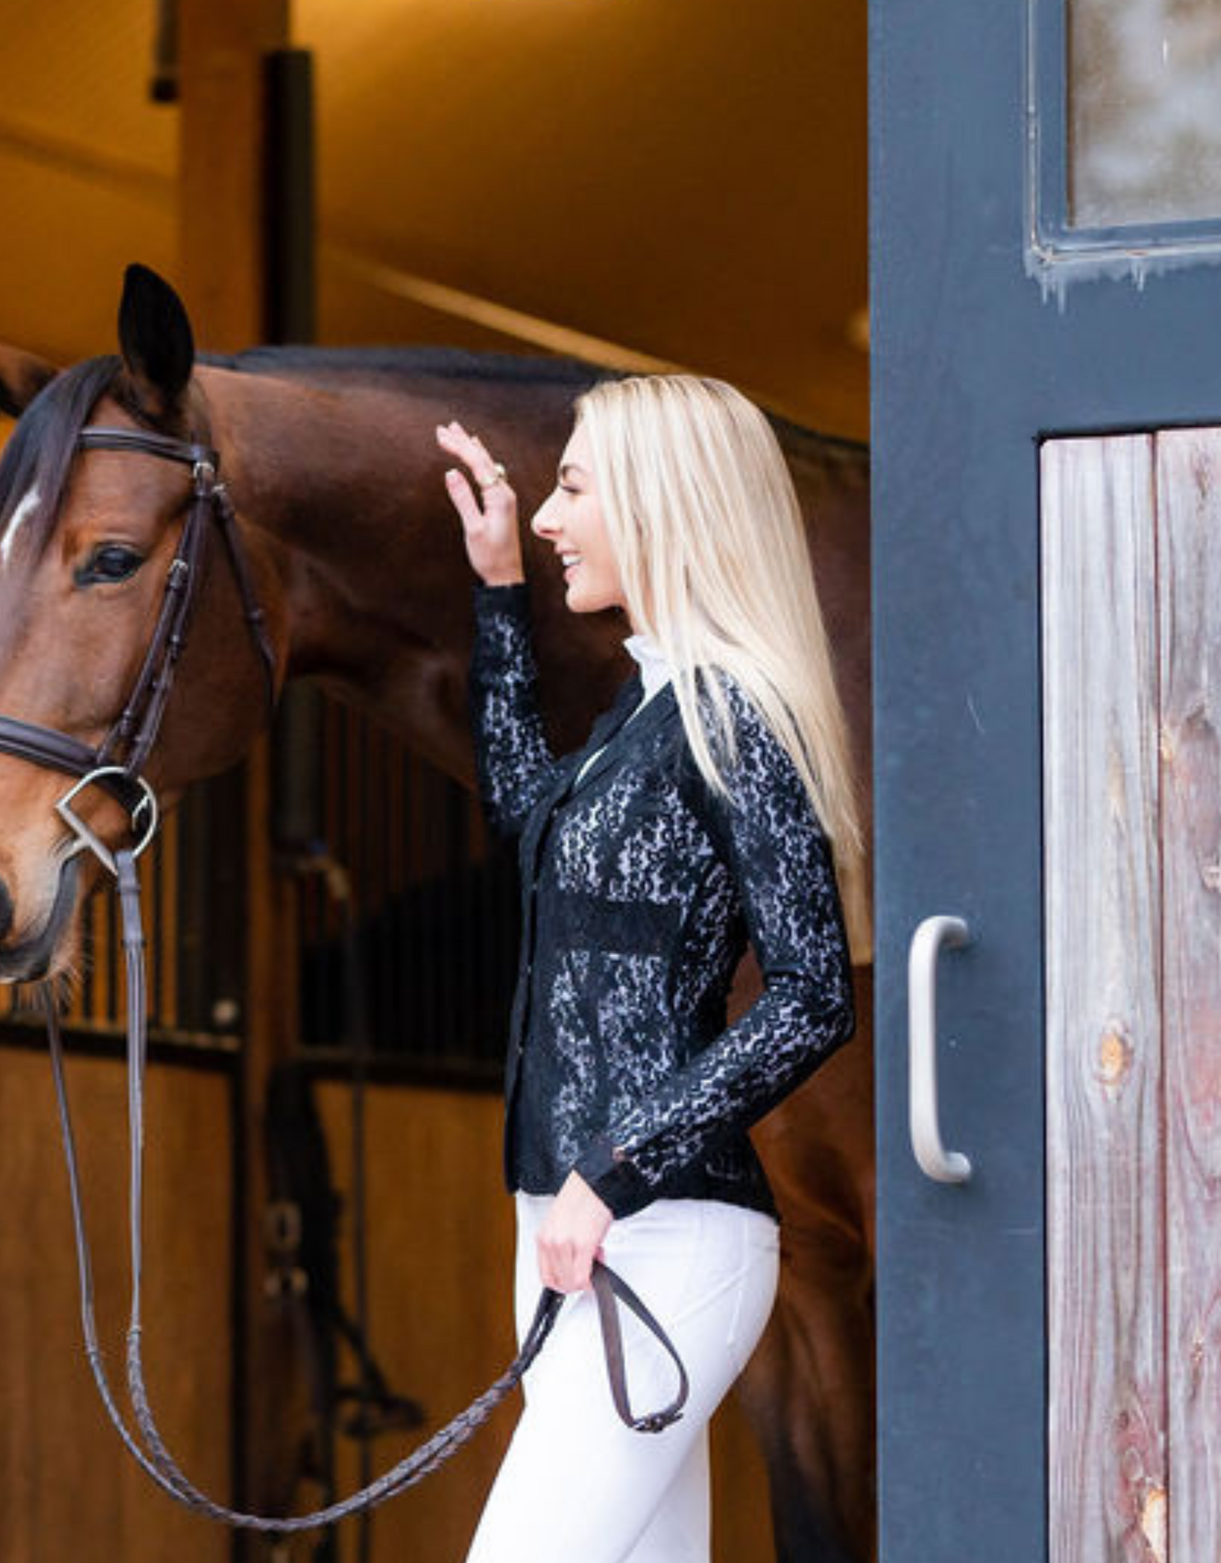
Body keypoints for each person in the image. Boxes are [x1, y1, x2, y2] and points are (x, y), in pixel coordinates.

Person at [433, 373, 865, 1563]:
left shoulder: (738, 718)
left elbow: (814, 994)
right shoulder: (644, 706)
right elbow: (531, 827)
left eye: (572, 489)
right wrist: (500, 599)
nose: (549, 517)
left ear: (661, 502)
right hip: (576, 1233)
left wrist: (617, 1166)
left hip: (667, 1234)